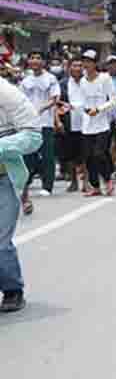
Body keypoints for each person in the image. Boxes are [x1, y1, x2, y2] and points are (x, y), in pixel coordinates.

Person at [0, 75, 43, 313]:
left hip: (3, 179)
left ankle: (12, 289)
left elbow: (33, 136)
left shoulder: (6, 93)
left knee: (0, 245)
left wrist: (1, 146)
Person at [19, 50, 61, 208]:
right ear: (28, 61)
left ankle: (47, 186)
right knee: (28, 154)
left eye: (38, 58)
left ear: (43, 61)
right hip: (28, 123)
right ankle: (26, 183)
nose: (35, 60)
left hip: (45, 123)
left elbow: (55, 98)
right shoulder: (25, 80)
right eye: (32, 58)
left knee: (47, 154)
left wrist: (41, 109)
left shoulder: (51, 78)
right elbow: (20, 99)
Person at [74, 50, 116, 198]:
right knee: (88, 157)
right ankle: (95, 186)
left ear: (95, 63)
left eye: (89, 61)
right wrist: (78, 108)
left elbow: (113, 100)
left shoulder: (105, 79)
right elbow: (80, 101)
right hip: (87, 125)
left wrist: (99, 109)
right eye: (84, 61)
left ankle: (107, 179)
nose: (86, 64)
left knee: (99, 153)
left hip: (102, 123)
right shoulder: (82, 81)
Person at [58, 58, 86, 193]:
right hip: (69, 122)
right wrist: (59, 121)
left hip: (86, 123)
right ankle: (73, 181)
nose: (78, 68)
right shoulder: (63, 84)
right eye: (75, 65)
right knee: (70, 154)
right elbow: (57, 103)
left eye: (80, 65)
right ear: (69, 67)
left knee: (86, 153)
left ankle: (87, 182)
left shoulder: (88, 82)